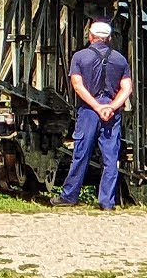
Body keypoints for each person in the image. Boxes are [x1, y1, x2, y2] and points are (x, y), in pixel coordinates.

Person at [53, 20, 132, 210]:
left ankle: (69, 197)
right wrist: (111, 107)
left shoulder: (80, 57)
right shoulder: (120, 60)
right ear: (109, 38)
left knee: (81, 154)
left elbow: (77, 85)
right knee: (111, 158)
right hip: (111, 113)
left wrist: (97, 106)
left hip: (89, 110)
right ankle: (107, 202)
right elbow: (127, 88)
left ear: (90, 36)